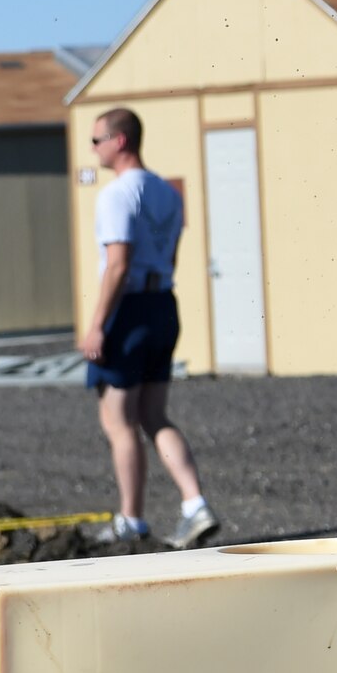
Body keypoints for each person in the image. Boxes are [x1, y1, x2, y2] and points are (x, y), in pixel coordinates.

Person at [80, 107, 222, 548]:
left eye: (96, 140)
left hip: (132, 310)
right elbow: (172, 256)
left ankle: (132, 520)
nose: (93, 149)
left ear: (119, 141)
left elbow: (118, 265)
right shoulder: (166, 193)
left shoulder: (118, 194)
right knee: (154, 415)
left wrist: (97, 325)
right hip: (163, 304)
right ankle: (194, 503)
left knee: (118, 419)